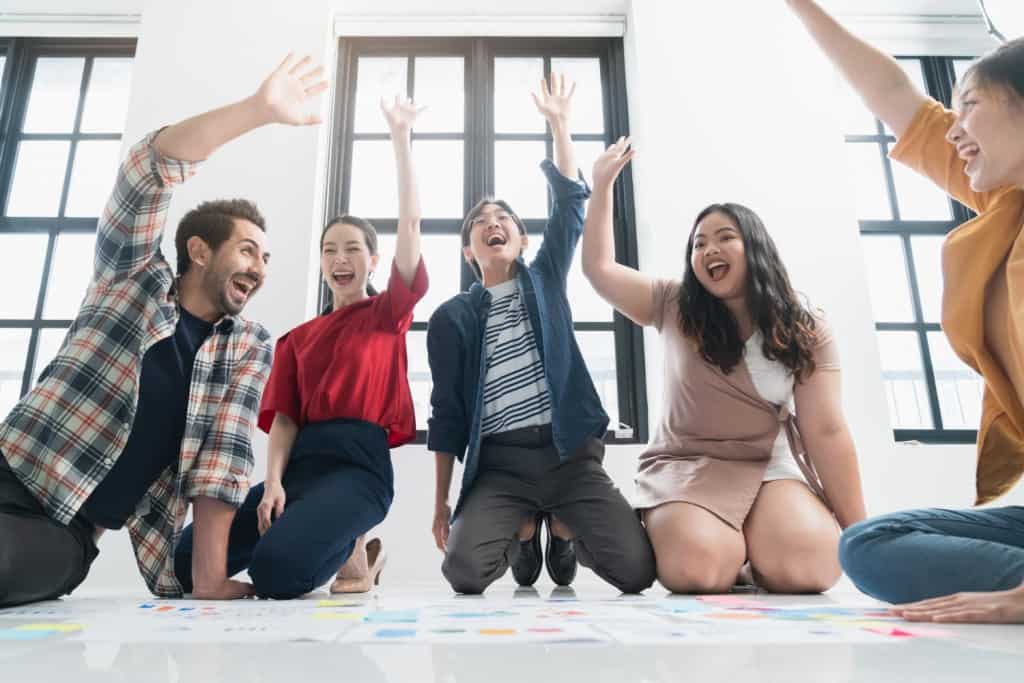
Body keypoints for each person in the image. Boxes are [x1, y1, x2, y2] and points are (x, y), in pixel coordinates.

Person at [0, 54, 327, 606]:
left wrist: (208, 580)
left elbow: (220, 461)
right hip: (11, 470)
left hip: (69, 535)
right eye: (248, 250)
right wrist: (256, 110)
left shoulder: (247, 347)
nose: (260, 268)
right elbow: (145, 171)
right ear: (198, 250)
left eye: (266, 258)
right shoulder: (131, 279)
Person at [787, 0, 1024, 623]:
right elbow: (895, 94)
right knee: (867, 545)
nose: (953, 127)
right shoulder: (1004, 198)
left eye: (969, 104)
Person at [582, 137, 866, 594]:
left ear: (755, 247)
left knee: (812, 568)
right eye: (699, 244)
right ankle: (728, 552)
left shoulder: (805, 326)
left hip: (768, 466)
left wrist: (860, 533)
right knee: (696, 572)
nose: (709, 249)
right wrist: (601, 186)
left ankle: (755, 556)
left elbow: (827, 432)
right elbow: (599, 269)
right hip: (688, 465)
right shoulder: (672, 303)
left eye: (725, 237)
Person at [174, 96, 428, 598]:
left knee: (277, 572)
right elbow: (285, 419)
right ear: (320, 262)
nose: (340, 258)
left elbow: (412, 229)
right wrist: (272, 483)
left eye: (353, 248)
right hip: (300, 469)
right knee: (183, 562)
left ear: (373, 261)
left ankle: (355, 550)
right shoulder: (296, 340)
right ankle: (338, 544)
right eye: (330, 249)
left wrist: (401, 140)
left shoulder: (387, 314)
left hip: (359, 467)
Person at [428, 74, 656, 595]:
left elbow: (570, 206)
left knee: (639, 572)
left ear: (521, 238)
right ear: (470, 251)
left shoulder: (545, 276)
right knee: (463, 573)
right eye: (481, 222)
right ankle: (527, 530)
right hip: (500, 467)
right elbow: (446, 415)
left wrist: (559, 123)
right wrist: (441, 502)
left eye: (503, 216)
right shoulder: (451, 318)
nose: (493, 222)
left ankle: (566, 529)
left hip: (569, 457)